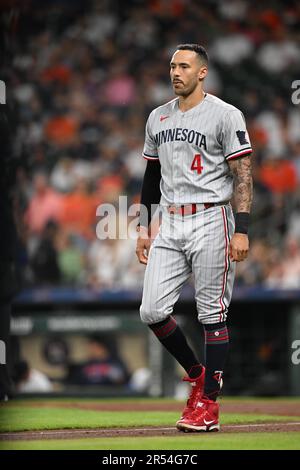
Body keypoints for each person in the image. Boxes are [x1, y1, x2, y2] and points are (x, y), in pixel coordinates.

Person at [136, 44, 253, 432]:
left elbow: (243, 174)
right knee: (151, 310)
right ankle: (199, 374)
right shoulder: (158, 116)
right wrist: (142, 226)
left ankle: (210, 406)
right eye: (172, 65)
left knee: (211, 314)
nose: (176, 72)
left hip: (211, 217)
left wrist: (243, 229)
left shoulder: (224, 114)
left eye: (184, 66)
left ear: (202, 72)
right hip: (170, 219)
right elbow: (151, 177)